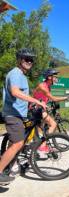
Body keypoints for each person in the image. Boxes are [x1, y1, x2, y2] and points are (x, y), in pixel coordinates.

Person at [0, 48, 46, 184]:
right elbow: (14, 92)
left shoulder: (22, 76)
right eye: (26, 59)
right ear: (20, 60)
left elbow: (21, 97)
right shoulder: (15, 74)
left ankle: (9, 165)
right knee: (18, 142)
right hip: (12, 115)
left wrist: (30, 105)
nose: (29, 62)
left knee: (21, 141)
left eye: (31, 60)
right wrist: (35, 100)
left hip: (19, 114)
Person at [32, 68, 69, 151]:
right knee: (53, 124)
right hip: (36, 108)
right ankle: (43, 145)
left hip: (40, 108)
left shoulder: (48, 86)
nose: (56, 78)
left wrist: (51, 107)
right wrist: (66, 98)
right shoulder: (43, 86)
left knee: (44, 126)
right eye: (55, 76)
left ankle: (39, 141)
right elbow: (53, 98)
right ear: (49, 77)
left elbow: (47, 99)